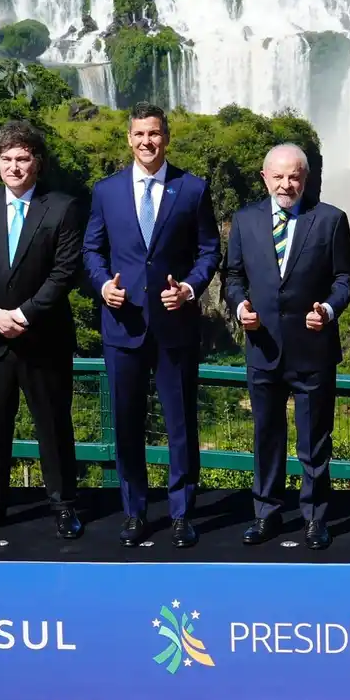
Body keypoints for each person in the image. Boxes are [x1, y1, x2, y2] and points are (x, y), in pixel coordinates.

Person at [83, 103, 219, 548]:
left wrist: (190, 288)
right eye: (140, 134)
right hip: (123, 325)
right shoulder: (106, 191)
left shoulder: (193, 189)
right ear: (128, 138)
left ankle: (181, 513)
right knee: (126, 424)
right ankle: (135, 511)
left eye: (155, 134)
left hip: (174, 327)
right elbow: (92, 251)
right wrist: (103, 287)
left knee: (180, 425)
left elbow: (208, 252)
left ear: (167, 137)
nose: (147, 142)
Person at [0, 120, 85, 540]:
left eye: (22, 159)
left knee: (54, 427)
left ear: (37, 163)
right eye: (6, 159)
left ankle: (64, 505)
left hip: (43, 338)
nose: (14, 166)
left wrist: (23, 315)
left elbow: (65, 273)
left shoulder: (62, 206)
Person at [223, 143, 350, 550]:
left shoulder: (331, 220)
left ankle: (315, 517)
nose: (286, 184)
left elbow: (344, 280)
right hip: (262, 347)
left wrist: (330, 311)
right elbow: (232, 276)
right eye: (278, 176)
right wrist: (239, 305)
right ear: (264, 178)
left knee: (315, 441)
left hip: (312, 348)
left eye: (294, 176)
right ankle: (266, 514)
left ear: (306, 178)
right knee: (266, 437)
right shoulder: (244, 221)